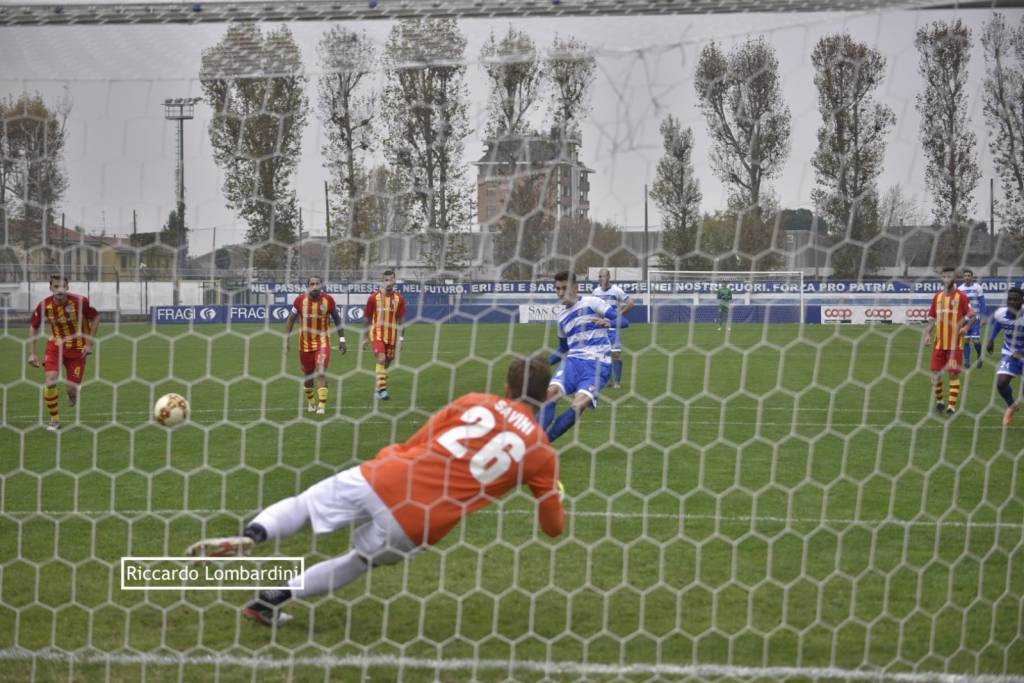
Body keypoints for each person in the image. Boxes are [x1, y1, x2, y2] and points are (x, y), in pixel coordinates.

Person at [186, 356, 565, 626]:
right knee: (358, 561)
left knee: (303, 505)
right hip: (420, 519)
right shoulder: (541, 452)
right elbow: (552, 527)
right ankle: (269, 600)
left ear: (508, 387)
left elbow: (420, 439)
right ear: (546, 395)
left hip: (388, 472)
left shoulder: (475, 401)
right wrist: (554, 496)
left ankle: (252, 534)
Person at [540, 271, 629, 442]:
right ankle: (532, 441)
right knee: (550, 394)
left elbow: (624, 322)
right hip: (572, 363)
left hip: (598, 365)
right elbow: (562, 349)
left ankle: (545, 442)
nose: (560, 293)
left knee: (579, 404)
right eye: (557, 289)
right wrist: (541, 363)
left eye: (564, 288)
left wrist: (609, 322)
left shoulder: (592, 302)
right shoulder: (561, 318)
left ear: (575, 288)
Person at [27, 274, 101, 432]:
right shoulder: (44, 305)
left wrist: (89, 343)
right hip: (56, 345)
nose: (59, 289)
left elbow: (95, 317)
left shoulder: (80, 302)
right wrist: (32, 353)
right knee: (50, 380)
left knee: (71, 389)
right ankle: (55, 421)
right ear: (51, 288)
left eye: (62, 286)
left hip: (77, 349)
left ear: (67, 287)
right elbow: (34, 326)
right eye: (56, 286)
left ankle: (72, 394)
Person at [283, 276, 346, 416]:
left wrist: (342, 339)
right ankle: (311, 401)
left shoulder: (328, 300)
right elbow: (291, 320)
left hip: (323, 341)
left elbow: (337, 319)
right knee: (308, 375)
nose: (315, 286)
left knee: (321, 369)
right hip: (305, 344)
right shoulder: (300, 301)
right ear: (308, 286)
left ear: (321, 285)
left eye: (317, 284)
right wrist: (286, 339)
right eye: (312, 284)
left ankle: (322, 405)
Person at [924, 267, 976, 417]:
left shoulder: (961, 296)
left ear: (954, 278)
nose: (946, 278)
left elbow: (972, 315)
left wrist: (966, 327)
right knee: (935, 375)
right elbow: (932, 319)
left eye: (949, 276)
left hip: (955, 346)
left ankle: (951, 408)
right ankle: (940, 402)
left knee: (953, 375)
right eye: (944, 276)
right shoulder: (937, 297)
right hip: (939, 344)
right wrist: (927, 334)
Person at [362, 269, 406, 401]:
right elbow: (367, 318)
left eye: (391, 279)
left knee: (386, 365)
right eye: (386, 280)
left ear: (394, 280)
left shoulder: (399, 299)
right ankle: (383, 390)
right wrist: (365, 338)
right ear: (382, 281)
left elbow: (401, 320)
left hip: (392, 336)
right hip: (377, 334)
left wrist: (401, 339)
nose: (389, 282)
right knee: (381, 359)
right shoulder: (373, 298)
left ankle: (378, 390)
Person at [986, 287, 1024, 426]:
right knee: (1001, 383)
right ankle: (1012, 406)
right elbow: (998, 323)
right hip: (1010, 352)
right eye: (1010, 299)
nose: (1012, 301)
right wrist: (991, 339)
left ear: (1022, 300)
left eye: (1016, 299)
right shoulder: (1001, 313)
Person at [591, 268, 635, 389]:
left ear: (608, 277)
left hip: (612, 328)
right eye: (599, 276)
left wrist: (618, 316)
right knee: (603, 355)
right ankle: (608, 380)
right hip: (600, 328)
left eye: (603, 276)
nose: (600, 279)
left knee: (616, 354)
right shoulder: (595, 292)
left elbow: (631, 303)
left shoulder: (616, 290)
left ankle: (617, 382)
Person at [957, 268, 987, 369]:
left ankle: (979, 356)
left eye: (969, 276)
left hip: (976, 317)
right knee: (966, 340)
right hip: (965, 318)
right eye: (965, 276)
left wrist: (983, 317)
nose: (967, 277)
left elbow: (982, 303)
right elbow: (959, 306)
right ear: (963, 277)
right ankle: (967, 362)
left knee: (976, 341)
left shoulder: (977, 287)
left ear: (972, 277)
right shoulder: (960, 289)